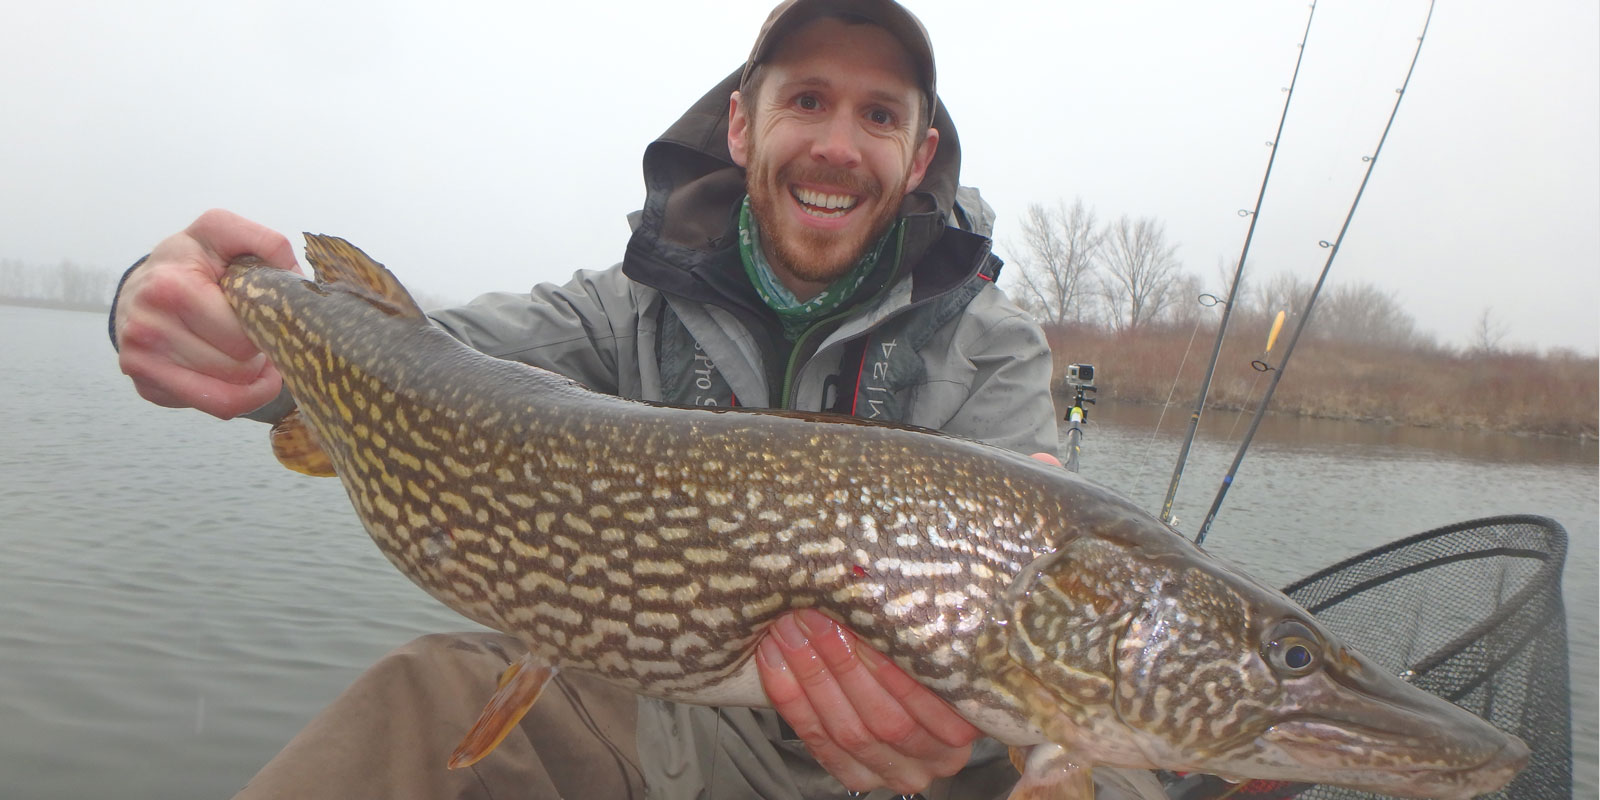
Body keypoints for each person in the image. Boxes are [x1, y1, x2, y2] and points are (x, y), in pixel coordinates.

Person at [110, 1, 1060, 797]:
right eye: (808, 101)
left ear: (920, 149)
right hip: (678, 746)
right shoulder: (619, 315)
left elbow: (1030, 641)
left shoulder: (994, 350)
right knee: (431, 694)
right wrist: (178, 310)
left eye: (880, 116)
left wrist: (982, 739)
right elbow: (420, 366)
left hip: (919, 779)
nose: (839, 147)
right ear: (742, 124)